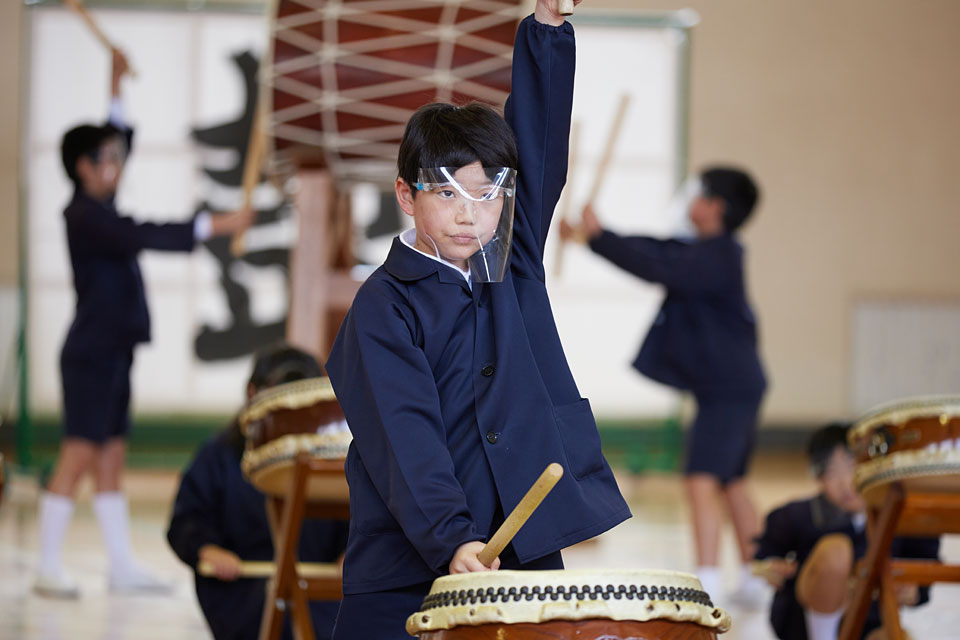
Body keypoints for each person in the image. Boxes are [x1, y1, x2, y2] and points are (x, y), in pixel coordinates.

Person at [324, 2, 630, 637]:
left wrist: (547, 30)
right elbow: (404, 436)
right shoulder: (383, 305)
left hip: (522, 549)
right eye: (447, 193)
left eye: (488, 195)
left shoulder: (510, 262)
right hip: (409, 567)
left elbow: (538, 143)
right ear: (406, 195)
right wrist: (452, 537)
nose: (470, 215)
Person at [33, 48, 253, 598]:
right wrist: (220, 223)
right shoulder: (85, 216)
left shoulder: (98, 204)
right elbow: (145, 233)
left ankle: (121, 566)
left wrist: (115, 86)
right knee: (80, 452)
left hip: (114, 349)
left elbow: (117, 139)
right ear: (84, 167)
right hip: (90, 354)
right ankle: (47, 564)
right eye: (107, 160)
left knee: (110, 455)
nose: (118, 166)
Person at [560, 166, 767, 603]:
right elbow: (657, 249)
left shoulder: (718, 256)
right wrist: (596, 236)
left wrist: (598, 239)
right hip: (734, 386)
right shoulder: (707, 251)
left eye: (699, 193)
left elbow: (659, 265)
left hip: (729, 389)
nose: (691, 200)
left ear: (716, 206)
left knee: (701, 479)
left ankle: (708, 583)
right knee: (732, 480)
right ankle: (755, 577)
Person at [167, 343, 349, 640]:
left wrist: (349, 554)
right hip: (242, 587)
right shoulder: (219, 454)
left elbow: (358, 522)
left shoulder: (334, 457)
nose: (291, 408)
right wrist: (207, 549)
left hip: (321, 588)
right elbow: (187, 518)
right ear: (252, 393)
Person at [753, 424, 939, 640]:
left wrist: (914, 590)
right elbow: (763, 557)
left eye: (853, 468)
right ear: (818, 476)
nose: (845, 483)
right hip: (804, 626)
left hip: (869, 625)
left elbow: (926, 565)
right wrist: (770, 568)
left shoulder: (901, 520)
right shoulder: (796, 515)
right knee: (836, 551)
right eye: (832, 472)